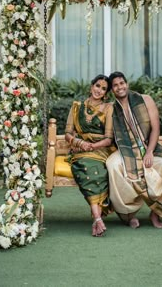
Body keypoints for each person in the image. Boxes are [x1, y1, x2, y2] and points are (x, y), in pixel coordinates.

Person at [106, 71, 162, 229]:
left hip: (148, 148)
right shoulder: (111, 109)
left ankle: (156, 213)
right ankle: (128, 214)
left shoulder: (145, 100)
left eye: (121, 83)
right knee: (112, 164)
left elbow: (156, 129)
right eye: (115, 85)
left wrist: (150, 151)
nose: (120, 87)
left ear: (127, 84)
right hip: (126, 151)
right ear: (112, 90)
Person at [65, 75, 116, 237]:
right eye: (97, 86)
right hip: (80, 151)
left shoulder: (108, 108)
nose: (99, 90)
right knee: (85, 166)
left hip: (100, 150)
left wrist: (93, 145)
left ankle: (97, 219)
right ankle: (98, 219)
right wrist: (81, 144)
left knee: (97, 170)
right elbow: (67, 134)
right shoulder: (76, 107)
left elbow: (109, 139)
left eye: (103, 89)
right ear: (91, 86)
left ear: (106, 93)